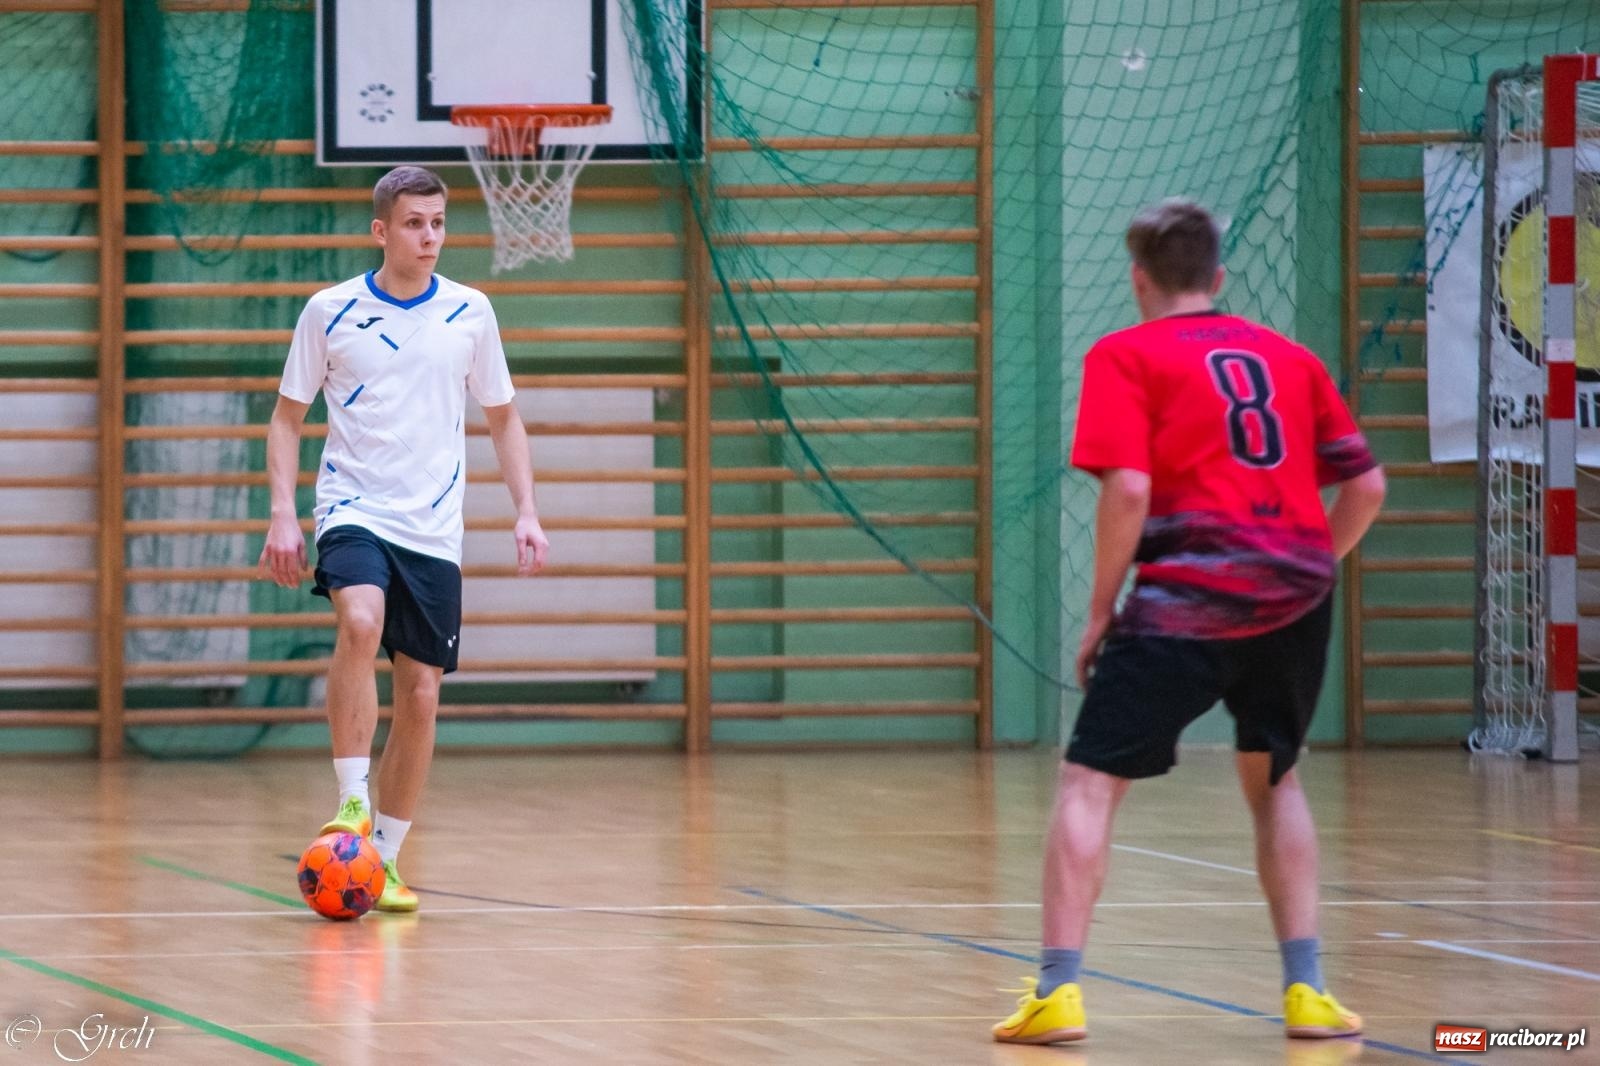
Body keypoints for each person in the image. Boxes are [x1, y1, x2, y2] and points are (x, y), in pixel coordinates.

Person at [994, 199, 1386, 1045]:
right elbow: (1366, 486)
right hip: (1294, 597)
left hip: (1185, 601)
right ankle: (1307, 990)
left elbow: (1129, 488)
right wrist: (1313, 568)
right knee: (1275, 780)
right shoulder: (1290, 358)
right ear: (1219, 279)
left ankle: (1058, 991)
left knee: (1089, 782)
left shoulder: (1123, 354)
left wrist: (1101, 612)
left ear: (1139, 280)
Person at [258, 165, 549, 913]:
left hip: (433, 526)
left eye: (439, 223)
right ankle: (350, 802)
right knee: (360, 620)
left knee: (420, 693)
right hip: (354, 506)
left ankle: (382, 858)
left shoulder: (471, 313)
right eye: (414, 223)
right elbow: (287, 419)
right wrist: (285, 515)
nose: (429, 237)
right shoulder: (330, 310)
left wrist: (526, 509)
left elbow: (503, 417)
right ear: (380, 230)